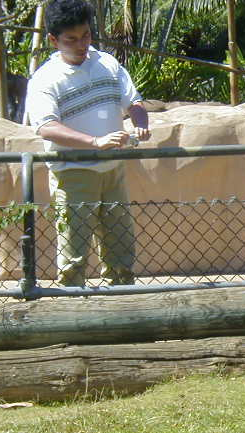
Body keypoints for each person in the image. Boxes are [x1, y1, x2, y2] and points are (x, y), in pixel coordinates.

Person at [25, 0, 151, 287]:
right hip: (73, 173)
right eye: (71, 39)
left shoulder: (107, 63)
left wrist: (140, 123)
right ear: (54, 40)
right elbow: (46, 127)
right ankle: (72, 320)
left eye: (86, 35)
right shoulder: (45, 79)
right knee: (74, 257)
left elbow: (133, 100)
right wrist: (95, 142)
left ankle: (124, 315)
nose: (81, 44)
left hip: (113, 171)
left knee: (121, 252)